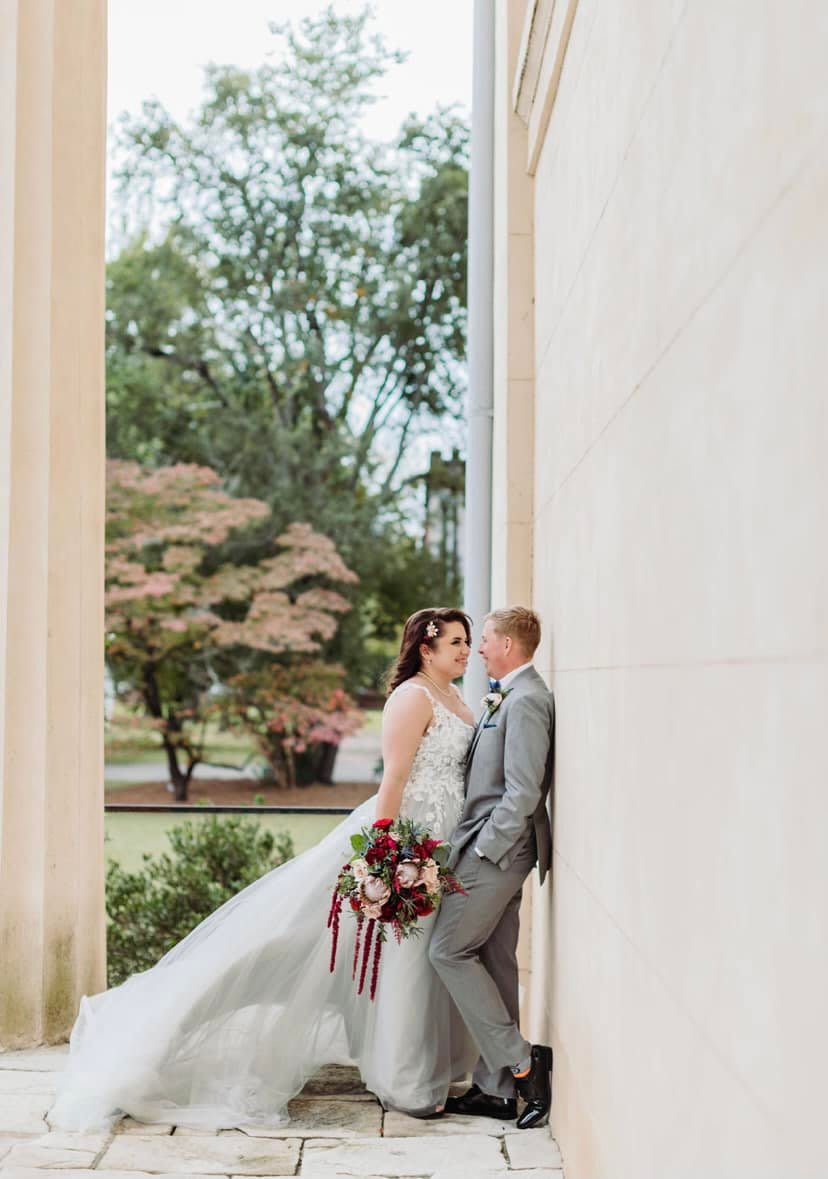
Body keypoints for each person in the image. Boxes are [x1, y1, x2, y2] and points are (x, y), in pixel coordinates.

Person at [49, 607, 478, 1132]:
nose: (465, 650)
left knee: (428, 956)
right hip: (407, 843)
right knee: (395, 957)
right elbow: (394, 779)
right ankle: (406, 1079)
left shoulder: (457, 697)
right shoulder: (412, 697)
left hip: (445, 842)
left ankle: (442, 1065)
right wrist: (384, 854)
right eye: (455, 642)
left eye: (467, 641)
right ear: (425, 649)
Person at [430, 606, 556, 1130]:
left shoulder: (526, 700)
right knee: (495, 958)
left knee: (448, 950)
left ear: (506, 644)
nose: (478, 648)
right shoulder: (510, 693)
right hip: (495, 849)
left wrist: (486, 850)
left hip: (498, 852)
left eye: (483, 639)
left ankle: (524, 1064)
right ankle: (498, 1090)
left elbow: (523, 791)